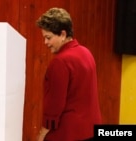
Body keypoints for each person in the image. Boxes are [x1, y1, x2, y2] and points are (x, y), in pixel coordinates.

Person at [36, 7, 102, 141]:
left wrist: (42, 134)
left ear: (63, 34)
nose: (46, 43)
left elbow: (54, 106)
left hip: (67, 134)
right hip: (91, 130)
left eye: (48, 37)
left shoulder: (60, 62)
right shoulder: (86, 53)